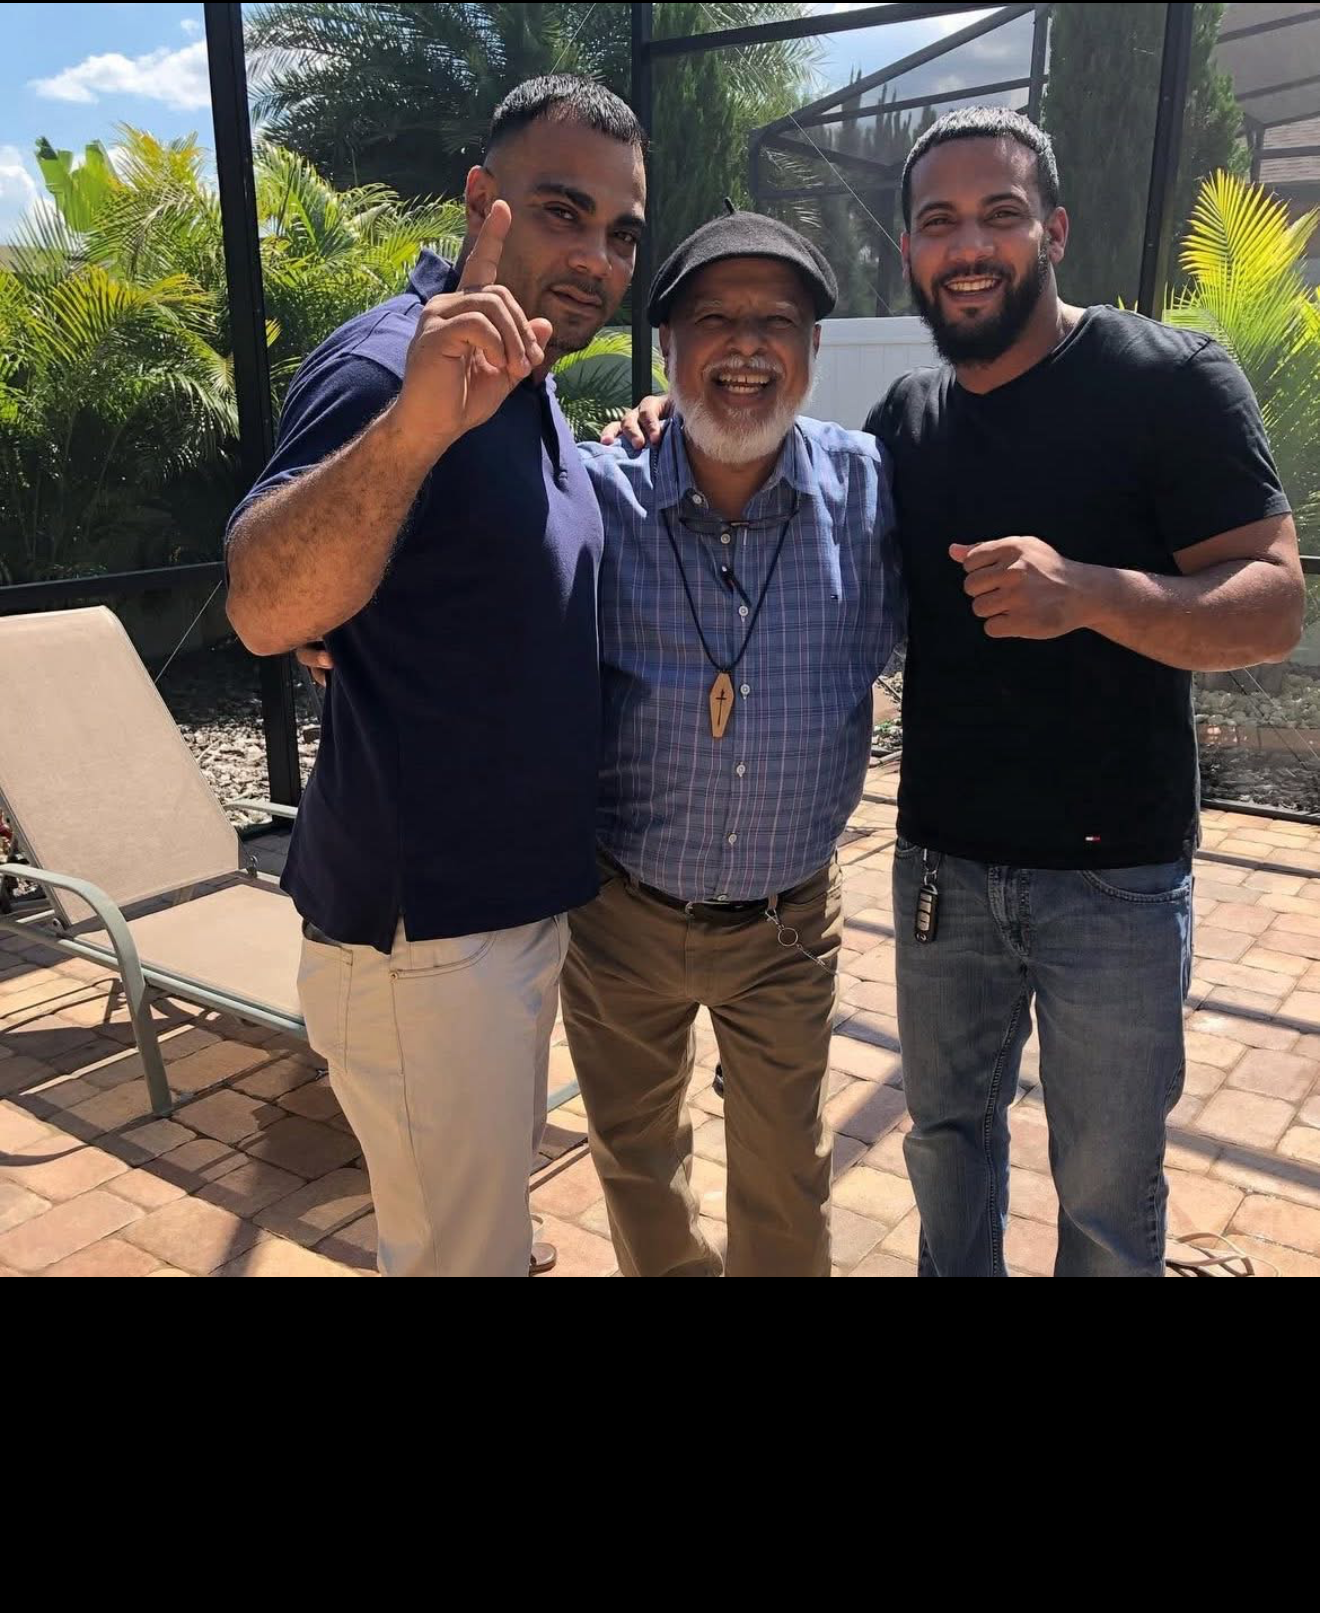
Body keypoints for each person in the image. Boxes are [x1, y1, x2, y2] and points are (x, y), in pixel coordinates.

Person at [866, 104, 1304, 1278]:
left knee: (1108, 1190)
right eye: (938, 222)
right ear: (908, 251)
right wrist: (664, 429)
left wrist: (1097, 594)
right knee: (947, 1151)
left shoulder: (1166, 381)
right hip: (940, 876)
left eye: (999, 215)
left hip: (1115, 882)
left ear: (1053, 228)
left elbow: (1273, 601)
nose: (969, 246)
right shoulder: (904, 425)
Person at [224, 74, 648, 1277]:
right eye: (563, 212)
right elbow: (261, 607)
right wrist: (411, 430)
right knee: (453, 1259)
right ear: (482, 200)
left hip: (499, 917)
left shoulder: (528, 381)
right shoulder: (388, 367)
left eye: (620, 233)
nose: (597, 259)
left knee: (477, 1235)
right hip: (424, 940)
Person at [561, 212, 905, 1277]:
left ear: (812, 352)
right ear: (666, 348)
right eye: (714, 319)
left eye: (778, 321)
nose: (746, 345)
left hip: (786, 924)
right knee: (634, 1156)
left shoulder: (877, 497)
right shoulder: (595, 495)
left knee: (786, 1168)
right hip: (619, 915)